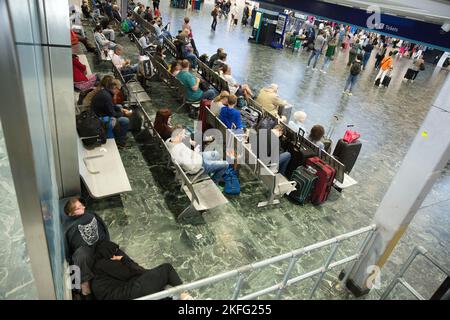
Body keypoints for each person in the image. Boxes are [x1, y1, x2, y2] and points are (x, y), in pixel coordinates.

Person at [63, 197, 110, 299]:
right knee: (82, 255)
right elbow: (67, 249)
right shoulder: (67, 226)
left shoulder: (91, 215)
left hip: (100, 246)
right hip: (83, 252)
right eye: (78, 207)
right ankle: (85, 289)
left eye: (82, 205)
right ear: (70, 213)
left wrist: (107, 243)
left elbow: (104, 228)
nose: (83, 207)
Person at [91, 80, 131, 147]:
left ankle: (119, 133)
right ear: (115, 88)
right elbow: (112, 114)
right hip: (99, 119)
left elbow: (111, 105)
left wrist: (121, 109)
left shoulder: (105, 92)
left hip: (99, 113)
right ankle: (121, 142)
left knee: (119, 106)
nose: (119, 92)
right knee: (125, 120)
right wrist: (124, 114)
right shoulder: (107, 96)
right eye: (119, 89)